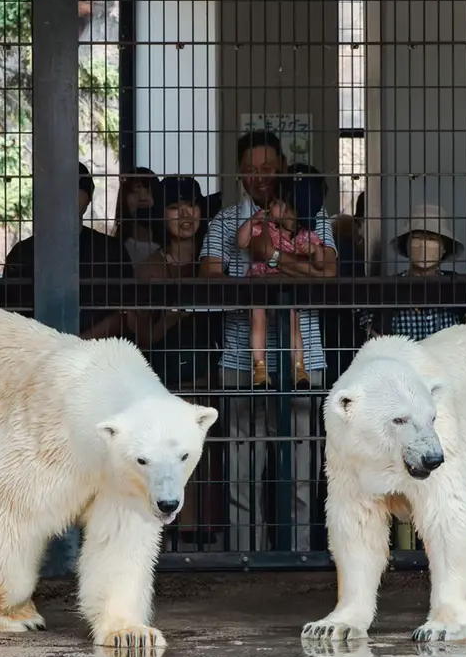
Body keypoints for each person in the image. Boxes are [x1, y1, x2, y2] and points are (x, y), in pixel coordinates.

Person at [200, 130, 337, 553]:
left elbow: (329, 275)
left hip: (304, 357)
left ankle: (297, 555)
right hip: (242, 358)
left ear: (282, 169)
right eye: (252, 170)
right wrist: (295, 272)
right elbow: (208, 277)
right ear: (240, 174)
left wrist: (274, 260)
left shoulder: (314, 216)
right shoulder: (226, 221)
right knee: (242, 469)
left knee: (302, 466)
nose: (261, 177)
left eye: (269, 169)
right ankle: (246, 558)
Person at [134, 175, 221, 547]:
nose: (186, 213)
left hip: (210, 378)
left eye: (192, 205)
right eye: (174, 207)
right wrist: (178, 310)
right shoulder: (151, 268)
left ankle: (207, 543)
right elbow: (143, 336)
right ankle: (171, 545)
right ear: (162, 216)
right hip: (166, 382)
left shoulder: (216, 262)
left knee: (209, 463)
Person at [1, 164, 137, 340]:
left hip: (97, 354)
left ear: (88, 199)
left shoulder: (111, 251)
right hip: (35, 355)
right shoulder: (22, 253)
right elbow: (9, 313)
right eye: (59, 188)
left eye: (76, 188)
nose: (67, 195)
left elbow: (124, 313)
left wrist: (77, 345)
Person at [238, 171, 329, 386]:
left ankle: (299, 367)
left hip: (287, 289)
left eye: (278, 202)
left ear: (293, 211)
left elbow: (321, 264)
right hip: (259, 283)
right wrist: (252, 222)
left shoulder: (304, 235)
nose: (271, 205)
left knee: (292, 323)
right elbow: (241, 243)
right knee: (257, 320)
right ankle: (259, 367)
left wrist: (315, 250)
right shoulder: (265, 227)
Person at [368, 200, 466, 340]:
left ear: (443, 248)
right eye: (417, 237)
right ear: (406, 245)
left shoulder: (458, 287)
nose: (424, 244)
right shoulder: (388, 289)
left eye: (432, 238)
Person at [112, 169, 164, 269]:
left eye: (149, 191)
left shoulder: (168, 248)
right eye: (135, 192)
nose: (143, 198)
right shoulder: (116, 250)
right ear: (124, 199)